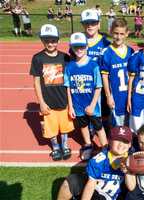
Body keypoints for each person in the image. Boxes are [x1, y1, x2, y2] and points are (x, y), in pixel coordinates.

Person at [30, 24, 74, 161]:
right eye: (47, 40)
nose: (50, 43)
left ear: (58, 40)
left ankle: (65, 145)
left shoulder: (65, 58)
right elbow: (36, 81)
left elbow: (69, 81)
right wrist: (41, 103)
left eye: (53, 40)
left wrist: (70, 102)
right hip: (48, 102)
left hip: (63, 100)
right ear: (42, 40)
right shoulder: (37, 58)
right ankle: (55, 147)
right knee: (51, 128)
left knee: (65, 126)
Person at [64, 32, 108, 161]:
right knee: (83, 126)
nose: (79, 50)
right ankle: (88, 145)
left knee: (98, 126)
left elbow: (98, 87)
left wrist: (93, 105)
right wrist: (70, 106)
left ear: (87, 47)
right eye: (76, 47)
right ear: (71, 47)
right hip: (78, 105)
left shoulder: (93, 65)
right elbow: (68, 87)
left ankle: (105, 147)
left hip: (92, 105)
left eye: (82, 46)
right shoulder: (70, 67)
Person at [57, 126, 132, 200]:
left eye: (125, 141)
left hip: (116, 195)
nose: (121, 144)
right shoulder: (99, 160)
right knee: (70, 182)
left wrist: (127, 171)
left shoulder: (133, 160)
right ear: (109, 141)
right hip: (97, 192)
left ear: (129, 145)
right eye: (117, 140)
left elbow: (131, 187)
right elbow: (90, 186)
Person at [80, 8, 111, 133]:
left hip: (102, 85)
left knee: (104, 111)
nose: (90, 26)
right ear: (82, 24)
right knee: (86, 111)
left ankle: (104, 130)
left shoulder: (106, 43)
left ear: (98, 24)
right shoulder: (78, 41)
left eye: (93, 22)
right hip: (85, 85)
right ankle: (91, 131)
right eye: (87, 23)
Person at [101, 18, 134, 127]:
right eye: (116, 33)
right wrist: (108, 96)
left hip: (129, 95)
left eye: (121, 34)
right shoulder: (106, 52)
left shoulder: (131, 52)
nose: (118, 37)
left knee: (130, 125)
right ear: (111, 32)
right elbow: (104, 77)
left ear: (127, 34)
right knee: (117, 127)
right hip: (116, 96)